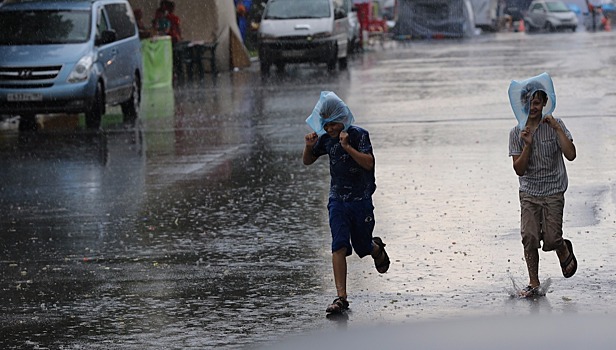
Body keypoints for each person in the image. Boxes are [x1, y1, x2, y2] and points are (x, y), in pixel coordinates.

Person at [302, 91, 390, 314]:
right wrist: (308, 145)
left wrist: (348, 148)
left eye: (334, 124)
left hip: (360, 201)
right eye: (326, 125)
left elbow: (369, 164)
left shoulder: (359, 136)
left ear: (343, 117)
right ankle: (341, 297)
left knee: (362, 246)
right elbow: (308, 160)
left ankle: (377, 248)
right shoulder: (327, 140)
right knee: (339, 245)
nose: (330, 129)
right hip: (337, 201)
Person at [508, 75, 578, 298]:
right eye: (528, 103)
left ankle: (562, 247)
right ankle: (533, 282)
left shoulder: (556, 125)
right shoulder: (516, 133)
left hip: (554, 190)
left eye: (537, 102)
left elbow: (571, 154)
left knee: (551, 238)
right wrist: (527, 145)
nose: (533, 107)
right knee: (529, 236)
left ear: (545, 103)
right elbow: (519, 169)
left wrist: (557, 128)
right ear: (522, 105)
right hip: (529, 192)